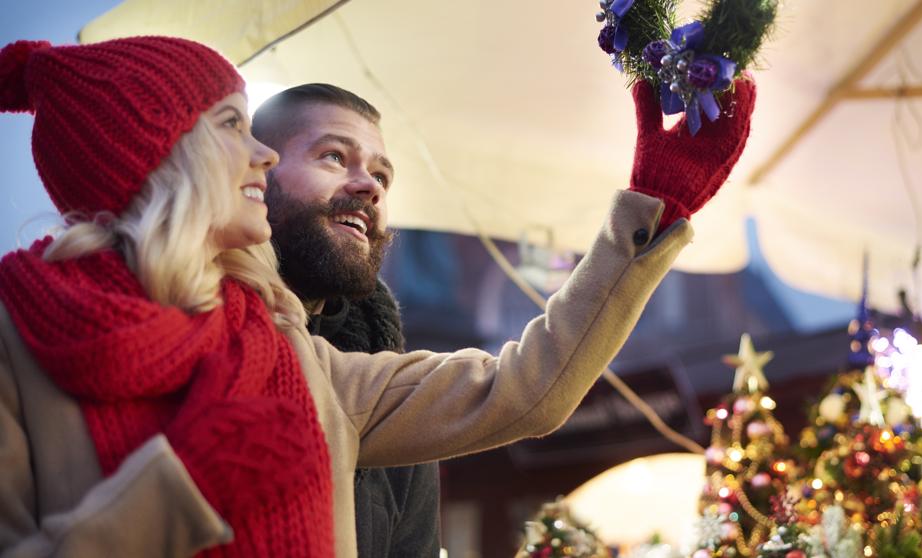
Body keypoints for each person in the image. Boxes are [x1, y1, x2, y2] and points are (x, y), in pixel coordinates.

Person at [0, 36, 754, 558]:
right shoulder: (15, 345)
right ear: (163, 152)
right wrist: (182, 491)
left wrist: (655, 206)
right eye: (234, 125)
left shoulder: (299, 358)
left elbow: (524, 390)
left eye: (383, 175)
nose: (257, 152)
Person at [251, 84, 439, 558]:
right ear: (256, 173)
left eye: (381, 175)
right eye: (334, 156)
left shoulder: (389, 391)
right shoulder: (183, 330)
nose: (370, 187)